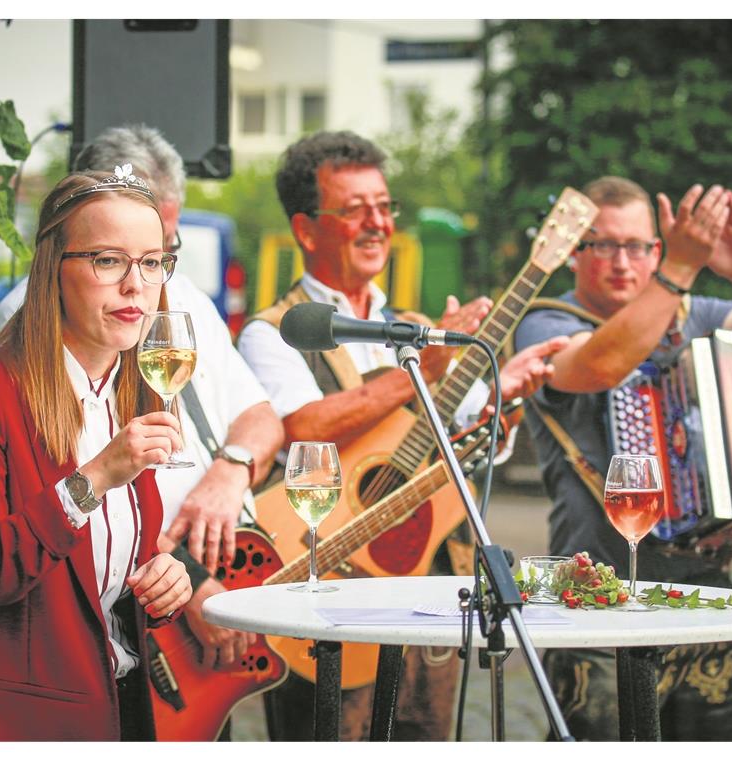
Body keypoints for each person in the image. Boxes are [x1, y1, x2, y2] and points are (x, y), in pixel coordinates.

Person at [237, 130, 566, 740]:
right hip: (326, 589)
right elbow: (299, 429)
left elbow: (472, 441)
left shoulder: (416, 328)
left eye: (384, 208)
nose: (376, 224)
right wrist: (418, 374)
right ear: (306, 230)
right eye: (355, 209)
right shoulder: (274, 330)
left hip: (428, 593)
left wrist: (505, 400)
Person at [512, 175, 732, 740]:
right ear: (573, 255)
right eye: (602, 245)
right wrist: (677, 271)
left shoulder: (691, 312)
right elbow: (602, 366)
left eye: (638, 246)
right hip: (595, 600)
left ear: (656, 249)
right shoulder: (545, 322)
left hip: (701, 588)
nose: (621, 261)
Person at [0, 125, 284, 679]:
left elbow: (260, 417)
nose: (143, 280)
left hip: (211, 580)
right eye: (113, 257)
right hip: (127, 610)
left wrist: (230, 470)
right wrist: (185, 574)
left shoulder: (184, 297)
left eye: (161, 252)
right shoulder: (34, 320)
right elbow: (70, 488)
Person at [0, 169, 193, 740]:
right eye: (108, 260)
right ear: (53, 268)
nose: (135, 285)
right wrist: (91, 480)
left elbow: (101, 579)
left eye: (152, 261)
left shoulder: (136, 392)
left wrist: (163, 580)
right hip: (19, 720)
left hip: (122, 710)